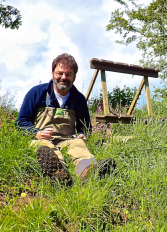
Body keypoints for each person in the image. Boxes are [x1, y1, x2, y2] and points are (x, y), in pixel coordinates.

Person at [16, 53, 115, 185]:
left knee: (78, 146)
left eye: (68, 74)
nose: (64, 77)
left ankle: (90, 173)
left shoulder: (79, 99)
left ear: (74, 76)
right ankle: (60, 174)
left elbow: (84, 128)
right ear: (52, 73)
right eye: (60, 73)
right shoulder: (37, 93)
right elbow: (21, 122)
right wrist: (37, 133)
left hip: (68, 140)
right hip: (42, 140)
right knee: (44, 147)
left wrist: (81, 135)